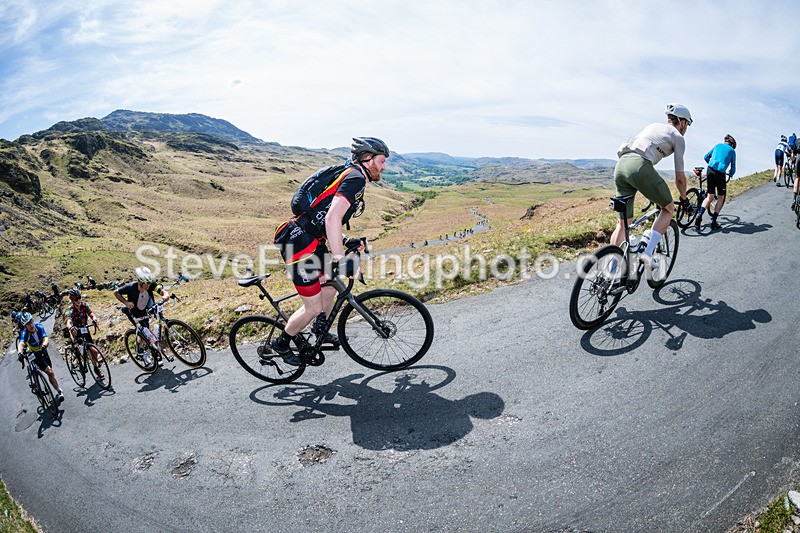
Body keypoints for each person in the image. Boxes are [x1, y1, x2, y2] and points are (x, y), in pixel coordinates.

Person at [271, 137, 389, 365]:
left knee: (331, 285)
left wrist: (346, 241)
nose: (384, 167)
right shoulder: (355, 178)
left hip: (312, 240)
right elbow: (332, 217)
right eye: (382, 161)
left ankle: (319, 332)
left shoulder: (351, 175)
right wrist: (340, 257)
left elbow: (321, 217)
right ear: (368, 158)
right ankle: (282, 343)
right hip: (299, 246)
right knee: (313, 306)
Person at [611, 103, 691, 274]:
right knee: (668, 208)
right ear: (682, 122)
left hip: (621, 165)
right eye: (687, 124)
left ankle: (610, 271)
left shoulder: (654, 126)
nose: (686, 128)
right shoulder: (678, 136)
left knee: (623, 224)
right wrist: (684, 198)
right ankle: (647, 255)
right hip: (639, 166)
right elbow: (679, 178)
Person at [113, 267, 170, 358]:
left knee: (148, 332)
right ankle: (141, 352)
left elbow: (161, 290)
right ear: (139, 281)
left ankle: (151, 349)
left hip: (144, 310)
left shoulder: (150, 284)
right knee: (144, 332)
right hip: (134, 312)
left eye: (149, 283)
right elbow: (116, 292)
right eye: (146, 284)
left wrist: (166, 295)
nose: (148, 286)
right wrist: (126, 302)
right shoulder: (131, 287)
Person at [16, 312, 64, 403]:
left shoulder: (39, 326)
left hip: (42, 350)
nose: (30, 325)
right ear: (25, 326)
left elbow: (46, 338)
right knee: (49, 371)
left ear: (33, 321)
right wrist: (19, 353)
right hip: (34, 354)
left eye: (31, 322)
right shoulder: (25, 333)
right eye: (27, 324)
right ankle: (59, 391)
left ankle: (54, 387)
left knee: (51, 373)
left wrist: (44, 346)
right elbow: (21, 344)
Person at [695, 134, 737, 231]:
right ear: (732, 144)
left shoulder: (717, 145)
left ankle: (699, 216)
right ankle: (713, 221)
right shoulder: (732, 151)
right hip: (720, 173)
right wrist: (730, 174)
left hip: (710, 169)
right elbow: (733, 167)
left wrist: (712, 164)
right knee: (721, 197)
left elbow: (706, 157)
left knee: (710, 196)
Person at [64, 288, 103, 378]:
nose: (79, 300)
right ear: (73, 301)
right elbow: (68, 322)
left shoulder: (84, 305)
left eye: (80, 297)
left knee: (94, 352)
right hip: (77, 332)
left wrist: (94, 319)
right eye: (76, 299)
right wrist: (71, 327)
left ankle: (96, 368)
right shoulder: (71, 310)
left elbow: (91, 314)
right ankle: (80, 361)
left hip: (85, 330)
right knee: (86, 349)